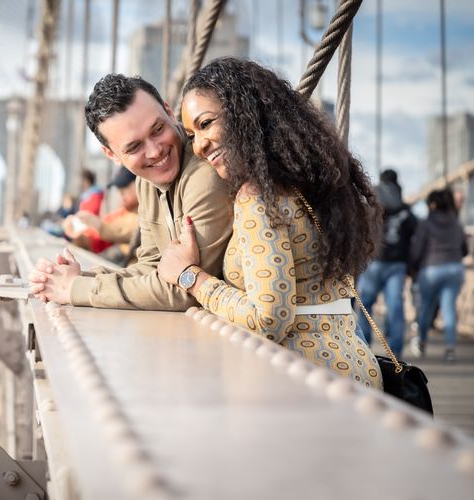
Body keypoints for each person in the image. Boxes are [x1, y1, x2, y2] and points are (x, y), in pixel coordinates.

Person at [157, 57, 383, 388]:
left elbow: (269, 320)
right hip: (356, 371)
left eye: (206, 124)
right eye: (191, 135)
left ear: (244, 114)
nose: (199, 146)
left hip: (303, 383)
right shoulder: (312, 183)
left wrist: (189, 276)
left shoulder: (257, 198)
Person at [29, 73, 232, 310]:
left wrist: (75, 289)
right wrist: (79, 279)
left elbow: (187, 289)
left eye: (157, 129)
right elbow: (150, 266)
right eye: (134, 146)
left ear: (168, 111)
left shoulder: (203, 175)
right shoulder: (145, 183)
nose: (155, 151)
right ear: (112, 155)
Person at [355, 169, 417, 357]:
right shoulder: (406, 211)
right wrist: (411, 266)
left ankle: (364, 347)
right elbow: (414, 238)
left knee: (365, 305)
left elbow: (359, 231)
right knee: (396, 306)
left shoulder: (371, 206)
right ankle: (395, 352)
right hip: (397, 265)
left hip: (373, 261)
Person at [409, 188, 468, 362]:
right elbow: (464, 250)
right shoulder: (456, 223)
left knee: (426, 308)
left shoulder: (426, 223)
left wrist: (412, 267)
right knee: (448, 309)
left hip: (431, 270)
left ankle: (422, 342)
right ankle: (450, 350)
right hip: (455, 269)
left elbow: (417, 250)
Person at [63, 166, 140, 264]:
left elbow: (125, 230)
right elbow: (103, 230)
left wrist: (95, 224)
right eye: (119, 191)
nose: (121, 196)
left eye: (124, 190)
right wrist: (80, 236)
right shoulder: (124, 211)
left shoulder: (146, 213)